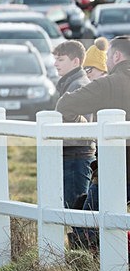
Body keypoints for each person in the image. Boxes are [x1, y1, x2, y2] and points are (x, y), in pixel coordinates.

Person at [58, 36, 130, 249]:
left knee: (86, 221)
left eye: (108, 57)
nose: (107, 62)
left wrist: (83, 125)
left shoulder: (109, 84)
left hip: (117, 171)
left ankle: (95, 266)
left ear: (116, 56)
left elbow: (65, 105)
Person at [52, 41, 95, 209]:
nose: (55, 63)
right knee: (73, 210)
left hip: (76, 156)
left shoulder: (79, 85)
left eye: (61, 59)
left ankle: (81, 237)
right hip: (73, 155)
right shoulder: (71, 83)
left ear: (76, 61)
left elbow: (80, 128)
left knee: (76, 211)